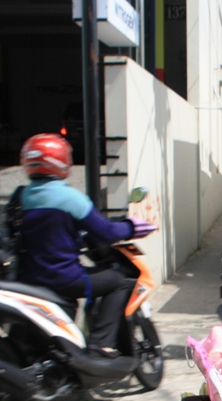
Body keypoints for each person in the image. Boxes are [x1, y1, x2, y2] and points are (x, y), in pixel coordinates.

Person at [15, 133, 156, 359]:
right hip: (63, 278)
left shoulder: (21, 197)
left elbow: (45, 235)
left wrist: (75, 240)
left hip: (28, 278)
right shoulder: (69, 197)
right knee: (119, 283)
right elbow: (106, 232)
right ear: (60, 160)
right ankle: (100, 343)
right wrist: (131, 228)